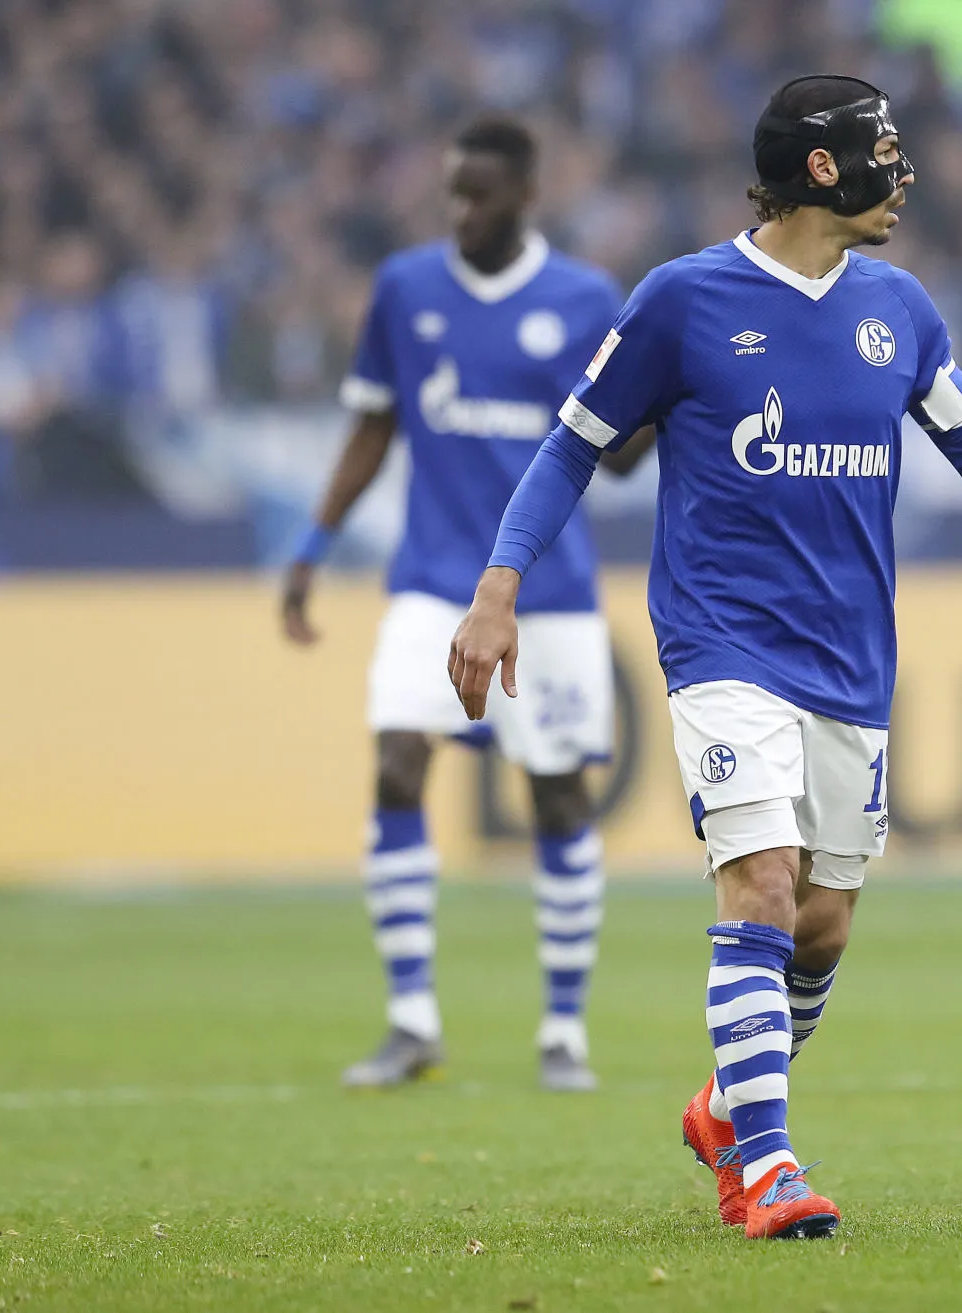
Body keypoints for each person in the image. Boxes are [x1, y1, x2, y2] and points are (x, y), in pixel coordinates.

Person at [445, 75, 962, 1239]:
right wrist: (497, 586)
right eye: (884, 152)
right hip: (722, 641)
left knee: (820, 927)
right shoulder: (683, 300)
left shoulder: (899, 309)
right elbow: (572, 447)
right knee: (759, 882)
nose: (903, 175)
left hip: (851, 658)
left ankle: (726, 1108)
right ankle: (768, 1166)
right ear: (820, 167)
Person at [281, 117, 652, 1093]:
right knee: (397, 762)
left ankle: (563, 1029)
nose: (461, 211)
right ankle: (412, 1020)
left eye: (479, 194)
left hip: (551, 593)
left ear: (526, 195)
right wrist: (314, 544)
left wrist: (664, 394)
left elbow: (619, 459)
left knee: (558, 795)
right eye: (452, 192)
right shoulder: (406, 288)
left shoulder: (584, 299)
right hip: (432, 582)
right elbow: (372, 426)